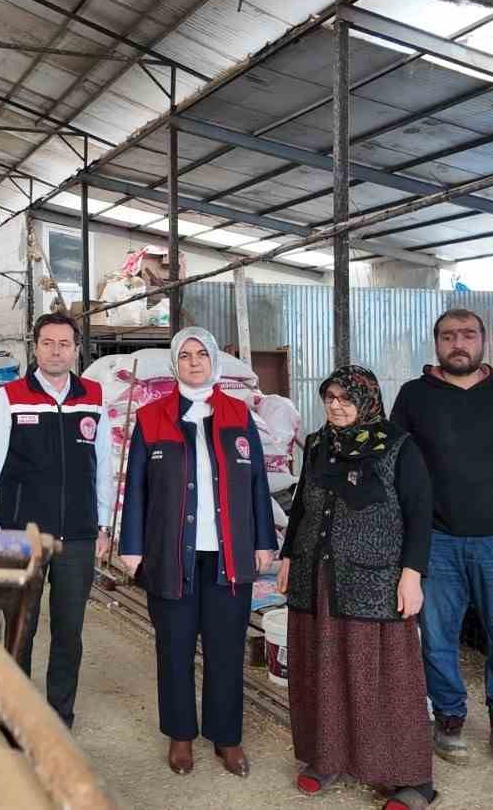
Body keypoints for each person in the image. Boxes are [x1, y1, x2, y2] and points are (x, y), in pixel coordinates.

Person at [391, 307, 493, 772]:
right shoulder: (414, 395)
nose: (458, 343)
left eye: (467, 335)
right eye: (448, 336)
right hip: (436, 540)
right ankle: (449, 718)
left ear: (483, 341)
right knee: (438, 637)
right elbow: (397, 465)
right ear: (436, 343)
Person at [118, 326, 277, 778]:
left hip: (228, 555)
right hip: (171, 555)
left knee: (226, 648)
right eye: (185, 355)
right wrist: (133, 547)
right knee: (175, 647)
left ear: (213, 361)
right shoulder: (152, 417)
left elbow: (258, 482)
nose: (193, 362)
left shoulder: (238, 414)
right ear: (175, 364)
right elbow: (136, 487)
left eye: (201, 354)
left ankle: (227, 737)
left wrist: (264, 541)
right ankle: (181, 735)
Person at [279, 365, 438, 809]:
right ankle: (327, 757)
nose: (336, 406)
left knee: (383, 677)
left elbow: (420, 512)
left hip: (374, 579)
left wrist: (412, 574)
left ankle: (410, 778)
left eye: (346, 398)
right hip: (318, 575)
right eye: (329, 397)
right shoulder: (317, 444)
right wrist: (289, 555)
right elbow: (301, 505)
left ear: (367, 401)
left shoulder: (398, 446)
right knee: (322, 668)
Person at [0, 312, 111, 727]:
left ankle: (59, 717)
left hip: (78, 535)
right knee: (20, 629)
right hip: (22, 534)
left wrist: (104, 525)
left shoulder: (93, 396)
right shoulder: (11, 397)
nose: (55, 351)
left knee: (69, 632)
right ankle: (16, 716)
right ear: (35, 348)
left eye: (64, 344)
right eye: (47, 343)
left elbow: (103, 464)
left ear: (76, 349)